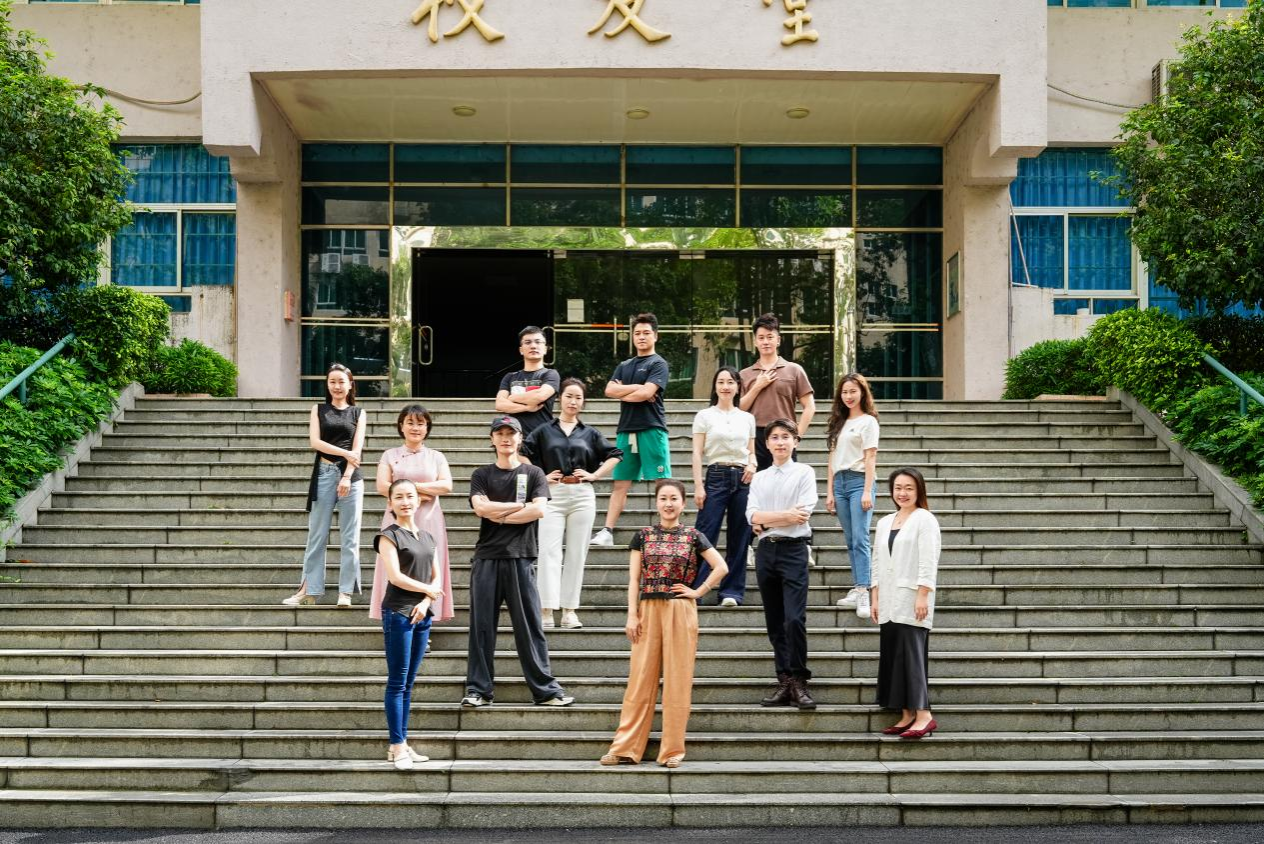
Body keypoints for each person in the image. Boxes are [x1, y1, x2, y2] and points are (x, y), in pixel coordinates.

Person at [601, 479, 728, 768]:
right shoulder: (643, 536)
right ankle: (625, 748)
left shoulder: (694, 536)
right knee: (640, 678)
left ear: (683, 504)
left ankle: (672, 751)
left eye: (674, 499)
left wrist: (698, 591)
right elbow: (634, 579)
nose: (668, 504)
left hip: (680, 609)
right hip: (647, 608)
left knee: (677, 679)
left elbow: (722, 566)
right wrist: (631, 614)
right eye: (663, 498)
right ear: (657, 503)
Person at [463, 414, 574, 708]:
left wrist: (498, 513)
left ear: (520, 438)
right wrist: (517, 507)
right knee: (481, 627)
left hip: (521, 558)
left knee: (530, 627)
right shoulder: (481, 474)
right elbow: (480, 509)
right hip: (487, 558)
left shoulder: (533, 473)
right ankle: (478, 690)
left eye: (510, 433)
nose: (505, 438)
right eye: (499, 433)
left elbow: (538, 511)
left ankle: (546, 691)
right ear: (492, 439)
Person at [525, 378, 623, 630]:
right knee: (548, 552)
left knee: (577, 553)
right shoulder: (544, 430)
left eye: (578, 397)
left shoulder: (590, 433)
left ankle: (570, 611)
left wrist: (595, 475)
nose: (573, 401)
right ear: (560, 398)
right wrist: (540, 476)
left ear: (583, 402)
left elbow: (615, 455)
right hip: (552, 494)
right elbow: (522, 452)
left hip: (582, 495)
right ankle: (546, 610)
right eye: (569, 396)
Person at [746, 419, 819, 709]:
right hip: (766, 551)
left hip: (794, 550)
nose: (780, 442)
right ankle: (784, 681)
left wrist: (767, 520)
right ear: (767, 444)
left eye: (785, 437)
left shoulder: (804, 472)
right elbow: (751, 516)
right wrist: (783, 516)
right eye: (774, 437)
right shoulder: (760, 478)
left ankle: (799, 680)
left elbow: (802, 514)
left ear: (795, 442)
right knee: (775, 622)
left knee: (794, 619)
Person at [283, 363, 366, 607]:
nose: (337, 386)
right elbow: (315, 442)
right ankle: (308, 591)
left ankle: (345, 592)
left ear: (350, 385)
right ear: (327, 385)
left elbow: (357, 450)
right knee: (317, 535)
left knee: (350, 537)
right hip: (324, 472)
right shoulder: (318, 410)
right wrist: (345, 453)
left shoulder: (358, 413)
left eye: (341, 381)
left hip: (351, 477)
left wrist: (347, 476)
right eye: (332, 382)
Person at [375, 479, 444, 770]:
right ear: (390, 503)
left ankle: (401, 744)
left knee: (409, 683)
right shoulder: (388, 536)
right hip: (398, 612)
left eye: (410, 496)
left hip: (422, 614)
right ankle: (397, 745)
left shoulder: (428, 537)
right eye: (399, 497)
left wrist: (427, 601)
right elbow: (395, 577)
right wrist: (428, 591)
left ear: (418, 500)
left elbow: (437, 577)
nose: (405, 502)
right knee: (397, 681)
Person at [871, 467, 941, 740]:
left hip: (912, 599)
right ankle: (907, 714)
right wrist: (875, 596)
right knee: (894, 655)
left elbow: (928, 560)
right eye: (898, 488)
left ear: (919, 490)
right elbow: (877, 561)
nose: (903, 493)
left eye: (909, 488)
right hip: (888, 599)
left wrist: (923, 594)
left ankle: (924, 715)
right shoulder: (885, 522)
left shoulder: (925, 519)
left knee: (911, 656)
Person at [591, 313, 671, 546]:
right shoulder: (624, 365)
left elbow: (646, 394)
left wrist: (625, 391)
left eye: (646, 332)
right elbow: (609, 390)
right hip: (626, 429)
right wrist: (637, 388)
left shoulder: (658, 363)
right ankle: (607, 531)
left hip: (652, 427)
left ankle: (667, 531)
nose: (641, 337)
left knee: (661, 481)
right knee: (620, 483)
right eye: (637, 333)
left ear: (655, 336)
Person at [371, 404, 454, 628]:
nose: (415, 428)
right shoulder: (390, 455)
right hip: (397, 519)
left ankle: (426, 620)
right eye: (410, 423)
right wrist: (418, 493)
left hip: (428, 519)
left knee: (428, 566)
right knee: (396, 565)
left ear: (427, 427)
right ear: (401, 426)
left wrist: (409, 488)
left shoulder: (436, 457)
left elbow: (446, 485)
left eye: (420, 423)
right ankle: (395, 616)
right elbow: (382, 486)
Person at [690, 366, 757, 608]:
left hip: (743, 478)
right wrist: (699, 485)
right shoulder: (704, 416)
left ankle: (732, 592)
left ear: (738, 387)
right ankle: (696, 590)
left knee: (740, 536)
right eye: (721, 382)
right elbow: (697, 453)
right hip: (716, 476)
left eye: (730, 382)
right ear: (715, 386)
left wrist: (753, 464)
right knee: (705, 533)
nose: (725, 386)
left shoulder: (747, 418)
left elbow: (751, 452)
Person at [824, 373, 881, 619]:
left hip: (859, 482)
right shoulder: (839, 422)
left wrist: (867, 490)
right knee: (850, 540)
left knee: (860, 538)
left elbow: (870, 457)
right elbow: (832, 459)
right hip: (840, 483)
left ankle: (864, 591)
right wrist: (829, 491)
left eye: (853, 391)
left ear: (862, 393)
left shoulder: (869, 422)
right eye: (845, 392)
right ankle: (858, 587)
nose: (848, 396)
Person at [738, 313, 816, 471]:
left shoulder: (794, 370)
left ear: (778, 340)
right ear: (755, 342)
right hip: (755, 437)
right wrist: (757, 386)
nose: (765, 342)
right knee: (757, 483)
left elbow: (810, 406)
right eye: (761, 338)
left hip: (784, 434)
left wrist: (797, 436)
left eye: (770, 337)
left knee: (787, 482)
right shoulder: (744, 374)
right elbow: (738, 410)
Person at [494, 325, 561, 440]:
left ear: (545, 349)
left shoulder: (550, 374)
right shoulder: (510, 377)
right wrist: (527, 408)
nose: (533, 346)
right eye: (528, 342)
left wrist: (511, 398)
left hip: (542, 438)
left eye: (538, 342)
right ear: (521, 350)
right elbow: (500, 404)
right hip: (514, 439)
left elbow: (539, 396)